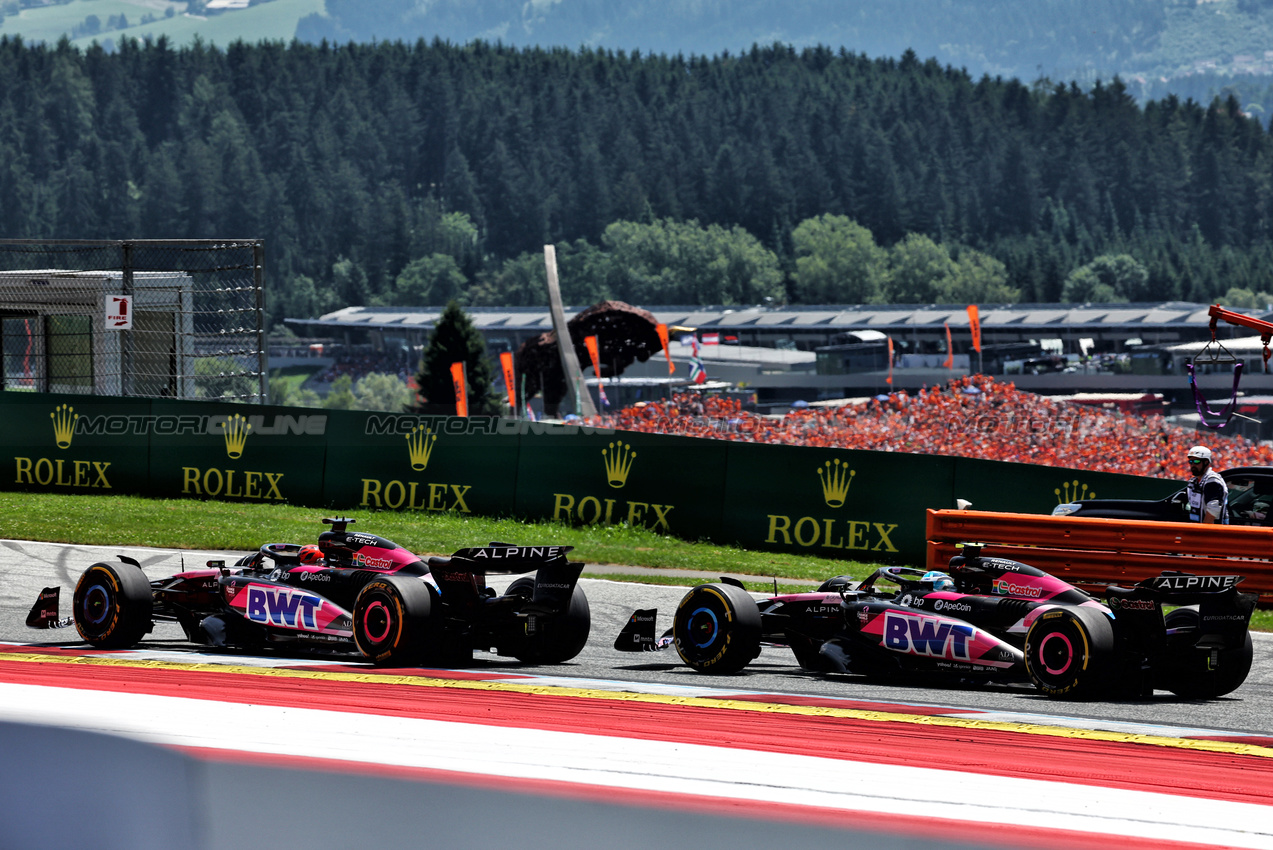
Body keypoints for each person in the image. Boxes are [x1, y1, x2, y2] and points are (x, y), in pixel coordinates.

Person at [1185, 445, 1228, 524]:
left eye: (1196, 461)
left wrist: (1203, 531)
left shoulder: (1212, 481)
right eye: (1191, 462)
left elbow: (1213, 509)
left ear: (1206, 462)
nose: (1193, 465)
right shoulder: (1194, 482)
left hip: (1212, 532)